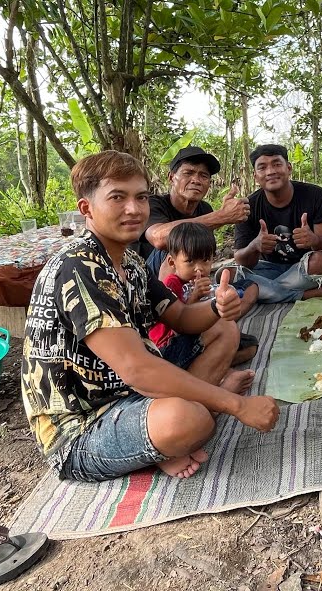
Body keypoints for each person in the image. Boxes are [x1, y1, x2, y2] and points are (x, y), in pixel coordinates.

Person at [21, 150, 279, 483]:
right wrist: (237, 405)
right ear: (87, 208)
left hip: (129, 394)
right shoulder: (78, 267)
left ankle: (181, 423)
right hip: (83, 428)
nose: (134, 208)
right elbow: (137, 369)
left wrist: (218, 306)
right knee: (188, 420)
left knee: (225, 330)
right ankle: (167, 439)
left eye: (140, 197)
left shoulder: (131, 262)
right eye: (117, 197)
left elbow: (182, 317)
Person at [233, 144, 322, 303]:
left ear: (289, 168)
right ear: (255, 176)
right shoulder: (247, 206)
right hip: (268, 269)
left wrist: (315, 240)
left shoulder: (315, 195)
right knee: (226, 274)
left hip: (304, 269)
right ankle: (301, 294)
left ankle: (262, 291)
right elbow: (242, 261)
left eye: (277, 164)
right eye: (262, 167)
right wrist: (254, 246)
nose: (270, 172)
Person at [150, 222, 260, 357]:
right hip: (169, 343)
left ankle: (214, 363)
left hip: (197, 336)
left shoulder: (201, 281)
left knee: (250, 346)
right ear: (172, 262)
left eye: (205, 260)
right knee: (224, 330)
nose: (199, 268)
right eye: (190, 261)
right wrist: (195, 296)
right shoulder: (171, 284)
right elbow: (181, 323)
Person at [137, 145, 249, 275]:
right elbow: (159, 238)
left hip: (188, 277)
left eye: (203, 176)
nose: (196, 180)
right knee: (177, 244)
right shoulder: (153, 203)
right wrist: (221, 216)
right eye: (188, 173)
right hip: (146, 277)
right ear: (171, 178)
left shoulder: (205, 209)